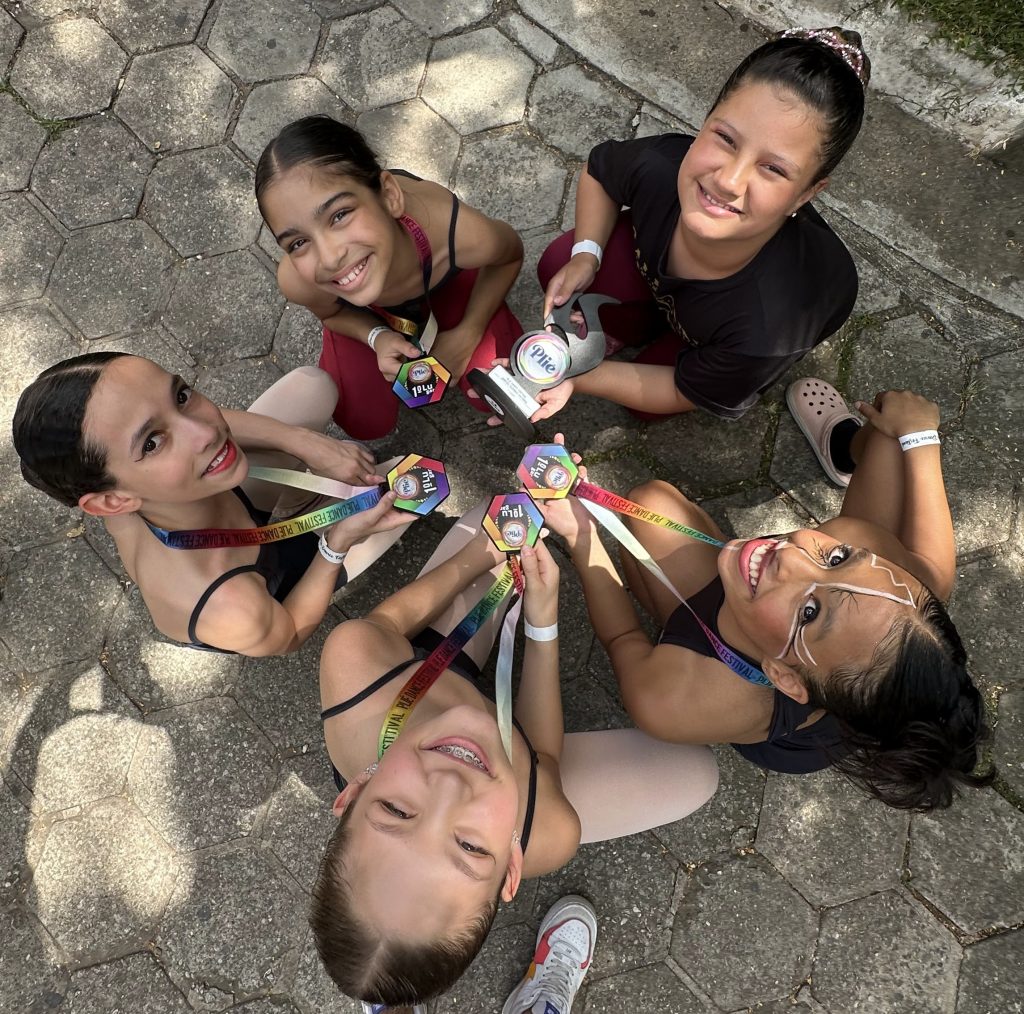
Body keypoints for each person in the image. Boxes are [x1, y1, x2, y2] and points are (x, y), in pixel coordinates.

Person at [311, 504, 719, 1006]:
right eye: (471, 847)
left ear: (354, 790)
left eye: (396, 810)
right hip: (489, 746)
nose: (450, 786)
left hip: (423, 673)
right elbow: (542, 756)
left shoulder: (356, 671)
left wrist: (482, 552)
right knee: (696, 774)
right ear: (512, 866)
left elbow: (388, 625)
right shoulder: (547, 833)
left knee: (497, 514)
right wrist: (542, 625)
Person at [535, 388, 990, 811]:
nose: (792, 555)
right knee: (892, 429)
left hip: (772, 719)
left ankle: (693, 620)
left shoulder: (674, 700)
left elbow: (622, 637)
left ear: (783, 677)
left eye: (809, 613)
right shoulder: (883, 582)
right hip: (814, 661)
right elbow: (935, 574)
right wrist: (921, 437)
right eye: (835, 558)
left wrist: (582, 536)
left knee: (647, 516)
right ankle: (846, 448)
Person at [514, 27, 868, 428]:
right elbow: (599, 172)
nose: (728, 181)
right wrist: (586, 255)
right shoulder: (661, 165)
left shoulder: (772, 327)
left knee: (644, 405)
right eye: (725, 138)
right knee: (560, 262)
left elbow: (683, 392)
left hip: (724, 336)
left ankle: (657, 336)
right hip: (676, 297)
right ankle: (633, 324)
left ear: (805, 195)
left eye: (773, 169)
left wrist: (579, 376)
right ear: (704, 124)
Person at [13, 353, 411, 655]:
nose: (205, 431)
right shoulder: (230, 609)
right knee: (407, 493)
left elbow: (210, 427)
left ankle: (305, 496)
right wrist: (336, 544)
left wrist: (305, 442)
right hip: (267, 584)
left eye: (182, 396)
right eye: (152, 442)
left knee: (313, 385)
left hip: (220, 508)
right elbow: (289, 633)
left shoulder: (142, 485)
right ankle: (318, 514)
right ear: (113, 500)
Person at [256, 115, 525, 441]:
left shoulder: (460, 236)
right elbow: (332, 313)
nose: (329, 257)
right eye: (298, 243)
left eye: (340, 215)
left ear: (389, 195)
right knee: (366, 422)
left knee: (501, 388)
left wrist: (469, 331)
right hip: (370, 310)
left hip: (444, 282)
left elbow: (509, 255)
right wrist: (376, 336)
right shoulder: (300, 280)